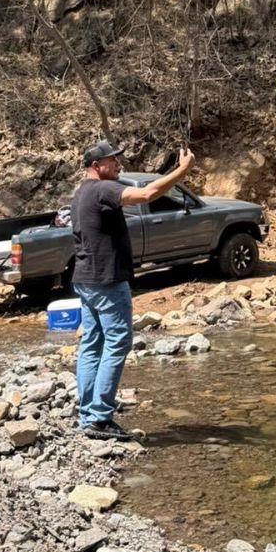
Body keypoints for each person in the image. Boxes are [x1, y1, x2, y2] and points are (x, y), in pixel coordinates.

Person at [71, 140, 196, 440]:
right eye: (113, 160)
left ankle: (88, 413)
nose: (119, 164)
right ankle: (99, 418)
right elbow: (147, 194)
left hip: (86, 279)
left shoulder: (81, 192)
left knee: (93, 344)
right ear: (96, 166)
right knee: (117, 342)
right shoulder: (103, 189)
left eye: (118, 159)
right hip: (107, 280)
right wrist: (182, 171)